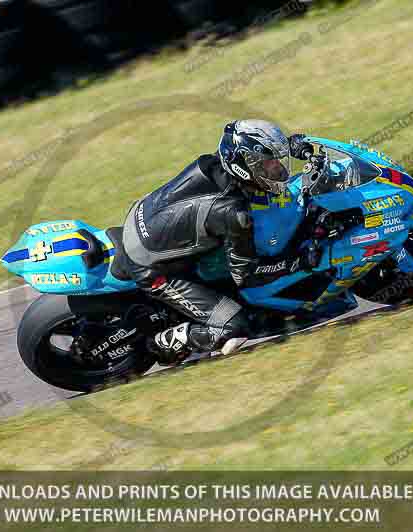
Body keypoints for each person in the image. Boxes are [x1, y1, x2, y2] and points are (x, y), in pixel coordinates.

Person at [121, 119, 318, 364]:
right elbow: (244, 274)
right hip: (152, 268)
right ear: (246, 166)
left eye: (276, 161)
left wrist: (290, 148)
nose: (277, 169)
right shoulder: (233, 214)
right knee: (235, 327)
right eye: (268, 164)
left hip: (141, 220)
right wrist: (298, 262)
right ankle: (163, 342)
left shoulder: (214, 163)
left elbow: (248, 150)